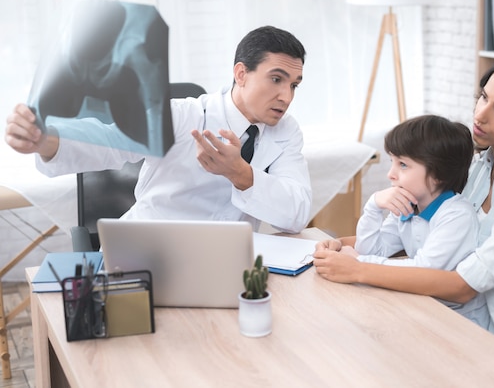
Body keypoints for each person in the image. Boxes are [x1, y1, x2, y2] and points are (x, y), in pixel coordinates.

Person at [314, 53, 494, 377]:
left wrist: (357, 269)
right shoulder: (481, 166)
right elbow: (430, 231)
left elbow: (463, 285)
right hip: (477, 318)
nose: (481, 115)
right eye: (484, 97)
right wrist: (340, 245)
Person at [5, 25, 312, 234]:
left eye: (294, 85)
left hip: (226, 261)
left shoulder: (286, 132)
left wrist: (241, 175)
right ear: (241, 74)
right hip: (148, 247)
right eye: (276, 79)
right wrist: (44, 141)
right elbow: (108, 141)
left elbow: (297, 214)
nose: (287, 96)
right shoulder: (182, 116)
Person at [316, 115, 489, 328]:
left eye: (403, 165)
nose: (391, 174)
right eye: (392, 162)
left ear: (438, 175)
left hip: (458, 322)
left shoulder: (456, 216)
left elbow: (422, 270)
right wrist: (373, 206)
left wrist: (357, 264)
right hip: (422, 307)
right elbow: (372, 250)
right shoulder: (408, 206)